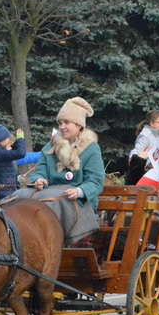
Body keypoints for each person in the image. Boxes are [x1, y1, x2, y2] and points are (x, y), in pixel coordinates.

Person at [28, 97, 105, 243]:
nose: (62, 127)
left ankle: (46, 243)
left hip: (79, 201)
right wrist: (39, 179)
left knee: (51, 205)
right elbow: (40, 169)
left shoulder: (91, 149)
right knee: (20, 197)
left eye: (67, 122)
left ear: (79, 125)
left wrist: (79, 191)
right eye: (60, 123)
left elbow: (95, 181)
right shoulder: (50, 146)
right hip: (51, 194)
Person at [125, 110, 159, 185]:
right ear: (151, 123)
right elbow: (136, 151)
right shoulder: (145, 136)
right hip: (145, 173)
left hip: (157, 171)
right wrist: (133, 160)